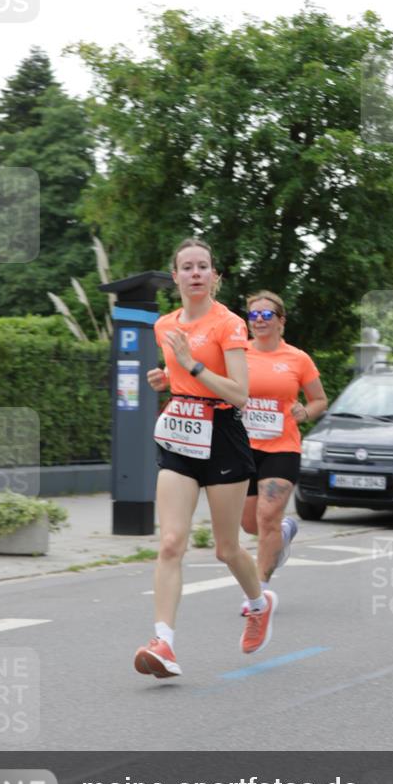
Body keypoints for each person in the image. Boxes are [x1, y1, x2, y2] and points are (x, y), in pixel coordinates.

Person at [134, 238, 277, 679]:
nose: (195, 273)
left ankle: (259, 604)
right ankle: (164, 643)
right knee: (171, 542)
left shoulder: (229, 324)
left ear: (215, 276)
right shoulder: (164, 325)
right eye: (187, 267)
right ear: (174, 276)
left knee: (226, 548)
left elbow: (239, 392)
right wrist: (167, 377)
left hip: (223, 435)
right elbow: (180, 376)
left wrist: (190, 364)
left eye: (203, 267)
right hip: (180, 432)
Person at [239, 291, 328, 614]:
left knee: (267, 516)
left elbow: (319, 399)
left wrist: (306, 412)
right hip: (243, 448)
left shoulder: (297, 359)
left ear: (281, 321)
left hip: (282, 447)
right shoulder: (237, 354)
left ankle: (259, 591)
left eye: (267, 315)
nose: (259, 321)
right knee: (250, 523)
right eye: (254, 315)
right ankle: (285, 531)